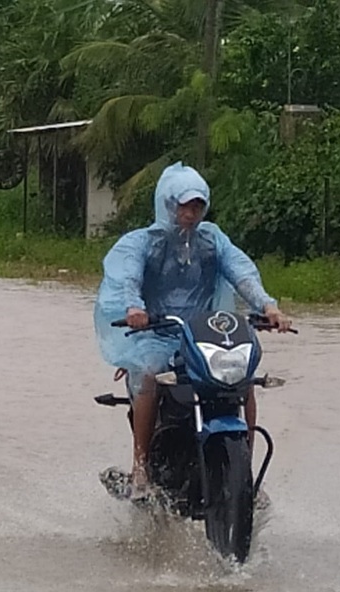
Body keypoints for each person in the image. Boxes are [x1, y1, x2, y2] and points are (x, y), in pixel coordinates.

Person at [93, 162, 292, 501]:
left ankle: (245, 472)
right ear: (167, 203)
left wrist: (268, 307)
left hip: (204, 336)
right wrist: (135, 308)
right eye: (184, 204)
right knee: (150, 374)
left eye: (197, 205)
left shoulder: (212, 240)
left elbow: (241, 272)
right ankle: (141, 467)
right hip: (157, 334)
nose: (191, 212)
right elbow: (129, 277)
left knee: (243, 379)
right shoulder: (141, 243)